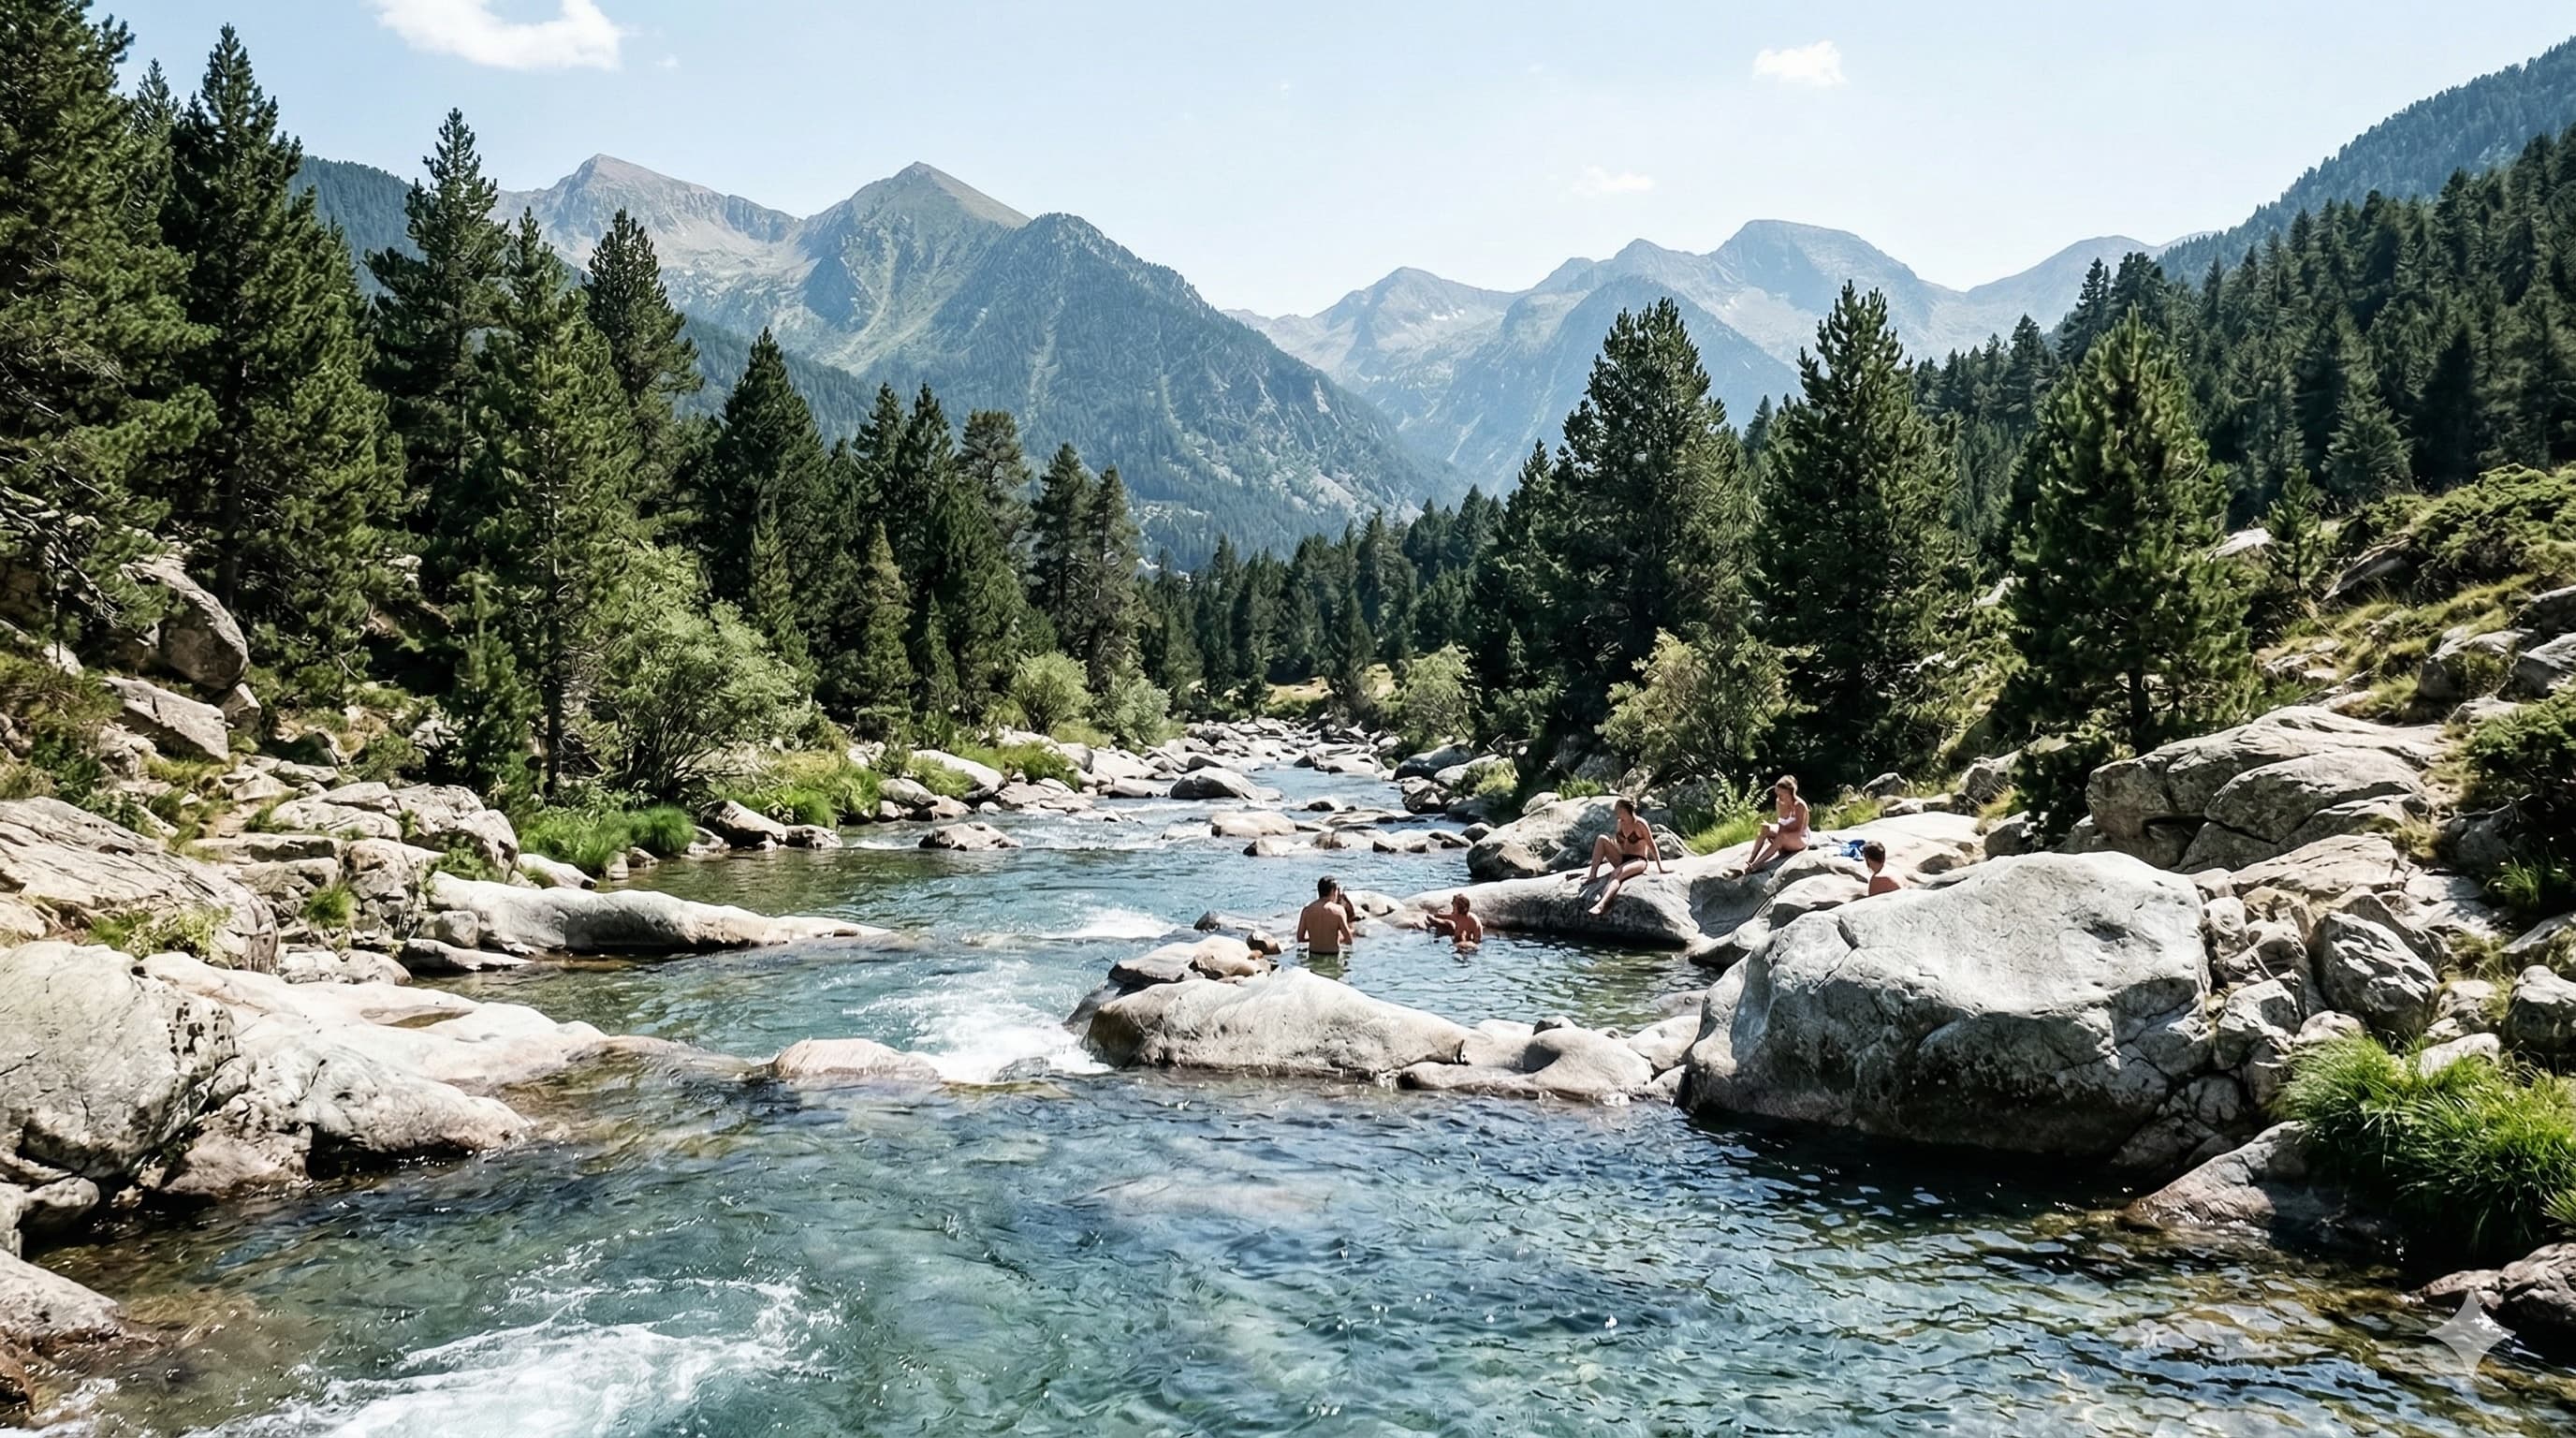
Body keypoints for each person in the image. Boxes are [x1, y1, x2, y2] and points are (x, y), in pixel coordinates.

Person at [1577, 796, 1665, 916]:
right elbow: (1620, 844)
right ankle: (1592, 876)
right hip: (1623, 858)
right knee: (1601, 839)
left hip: (1638, 860)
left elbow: (1652, 845)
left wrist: (1660, 868)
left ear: (1624, 809)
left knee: (1616, 874)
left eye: (1617, 809)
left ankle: (1602, 904)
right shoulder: (1620, 823)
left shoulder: (1640, 824)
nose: (1615, 812)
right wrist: (1612, 848)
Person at [1732, 775, 1809, 876]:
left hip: (1800, 838)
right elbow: (1781, 825)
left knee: (1782, 837)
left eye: (1781, 794)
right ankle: (1750, 860)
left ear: (1789, 792)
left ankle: (1754, 866)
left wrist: (1779, 838)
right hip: (1786, 836)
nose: (1779, 797)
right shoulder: (1779, 802)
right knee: (1766, 829)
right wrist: (1771, 831)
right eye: (1777, 793)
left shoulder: (1799, 805)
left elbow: (1798, 830)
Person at [1297, 875, 1357, 955]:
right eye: (1337, 891)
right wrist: (1337, 938)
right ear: (1333, 891)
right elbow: (1349, 940)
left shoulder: (1306, 910)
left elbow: (1300, 938)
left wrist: (1315, 938)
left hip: (1313, 954)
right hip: (1333, 955)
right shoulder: (1339, 911)